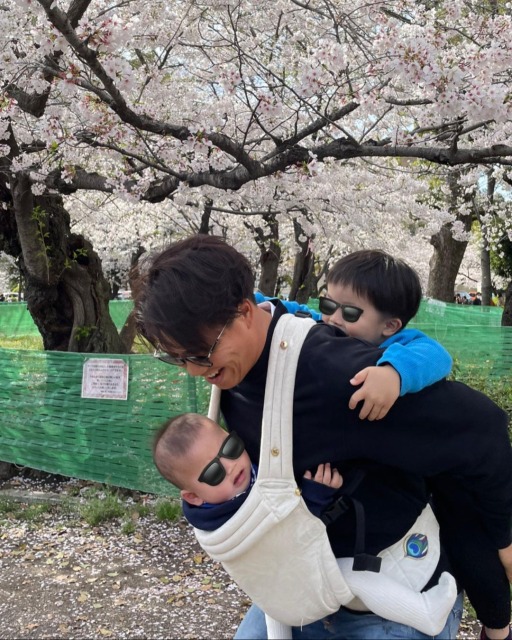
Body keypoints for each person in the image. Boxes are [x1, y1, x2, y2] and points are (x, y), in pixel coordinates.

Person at [134, 235, 512, 640]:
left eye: (200, 354)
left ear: (243, 313)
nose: (194, 370)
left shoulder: (336, 374)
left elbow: (482, 427)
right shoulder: (237, 364)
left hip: (388, 596)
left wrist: (504, 536)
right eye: (179, 358)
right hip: (298, 586)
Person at [153, 412, 457, 636]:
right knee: (353, 578)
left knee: (277, 608)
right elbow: (282, 538)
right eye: (214, 473)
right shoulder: (223, 520)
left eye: (231, 448)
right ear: (193, 496)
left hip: (283, 584)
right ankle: (423, 612)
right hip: (285, 578)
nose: (231, 466)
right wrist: (314, 498)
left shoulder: (235, 484)